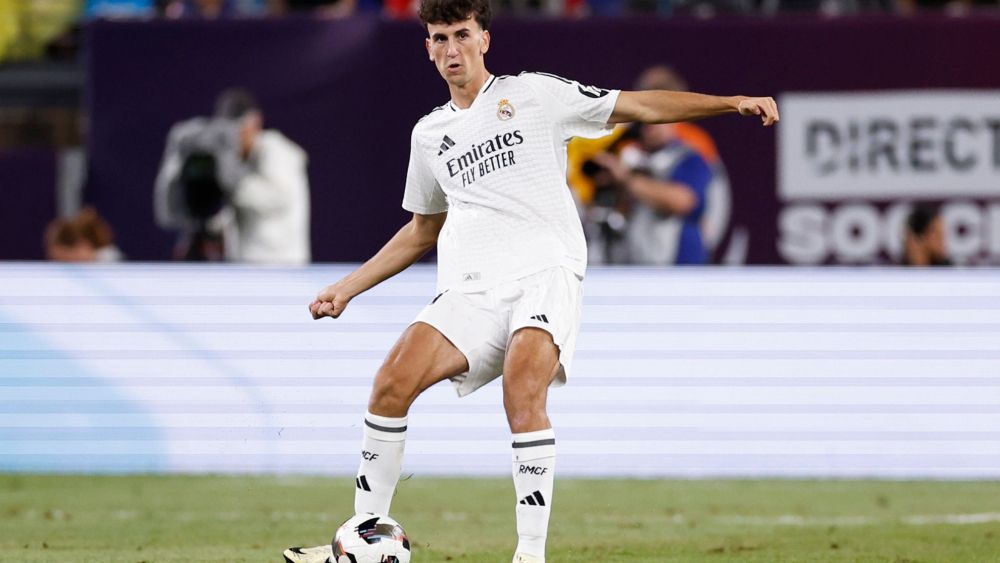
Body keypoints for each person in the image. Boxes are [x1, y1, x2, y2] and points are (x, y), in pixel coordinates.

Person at [284, 0, 778, 561]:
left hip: (545, 274)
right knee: (390, 383)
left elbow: (637, 106)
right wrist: (347, 287)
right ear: (427, 47)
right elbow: (422, 231)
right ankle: (359, 539)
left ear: (485, 39)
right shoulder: (429, 135)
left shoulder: (535, 95)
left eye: (462, 35)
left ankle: (529, 555)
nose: (452, 50)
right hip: (471, 289)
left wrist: (729, 102)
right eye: (440, 39)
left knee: (523, 386)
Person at [154, 88, 311, 264]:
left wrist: (233, 180)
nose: (230, 139)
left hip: (282, 267)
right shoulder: (239, 162)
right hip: (245, 268)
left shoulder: (276, 149)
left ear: (255, 123)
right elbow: (241, 209)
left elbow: (277, 198)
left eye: (236, 130)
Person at [588, 121, 713, 264]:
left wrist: (627, 180)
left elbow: (682, 201)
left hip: (678, 262)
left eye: (659, 121)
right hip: (634, 261)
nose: (651, 127)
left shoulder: (687, 157)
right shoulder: (627, 156)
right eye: (644, 123)